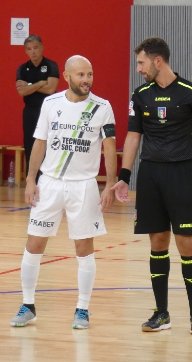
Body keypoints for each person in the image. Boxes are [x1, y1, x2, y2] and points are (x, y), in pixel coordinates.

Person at [112, 37, 192, 334]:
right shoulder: (140, 95)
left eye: (141, 63)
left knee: (186, 243)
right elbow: (133, 138)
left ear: (158, 61)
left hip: (181, 175)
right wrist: (124, 177)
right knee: (157, 242)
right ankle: (161, 313)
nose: (138, 69)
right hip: (150, 176)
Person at [10, 55, 117, 329]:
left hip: (84, 186)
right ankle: (28, 305)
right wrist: (31, 179)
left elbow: (109, 147)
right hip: (50, 184)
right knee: (34, 244)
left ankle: (83, 309)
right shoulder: (51, 103)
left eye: (90, 74)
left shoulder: (102, 107)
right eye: (81, 75)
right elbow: (39, 143)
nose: (86, 80)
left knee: (84, 248)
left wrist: (110, 184)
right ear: (67, 77)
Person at [16, 35, 59, 173]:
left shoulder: (51, 65)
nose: (33, 51)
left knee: (49, 143)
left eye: (35, 47)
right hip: (30, 111)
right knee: (30, 143)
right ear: (26, 51)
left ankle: (49, 177)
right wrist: (40, 83)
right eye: (29, 49)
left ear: (42, 48)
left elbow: (51, 89)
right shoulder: (22, 69)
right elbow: (21, 91)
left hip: (49, 110)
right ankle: (32, 179)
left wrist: (29, 86)